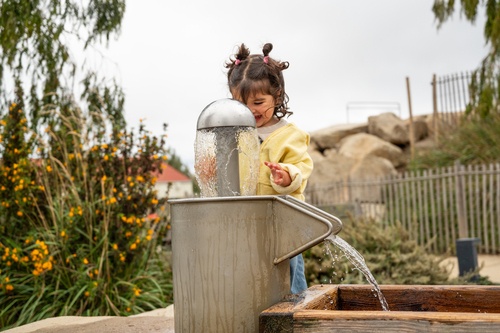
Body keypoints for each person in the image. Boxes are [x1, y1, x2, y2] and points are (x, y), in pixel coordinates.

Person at [225, 43, 313, 294]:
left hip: (283, 228)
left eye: (259, 101)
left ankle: (294, 317)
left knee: (287, 279)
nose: (251, 110)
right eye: (241, 103)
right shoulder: (236, 134)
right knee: (249, 281)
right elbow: (228, 171)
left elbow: (300, 168)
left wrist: (285, 176)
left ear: (277, 96)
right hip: (246, 225)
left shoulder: (290, 135)